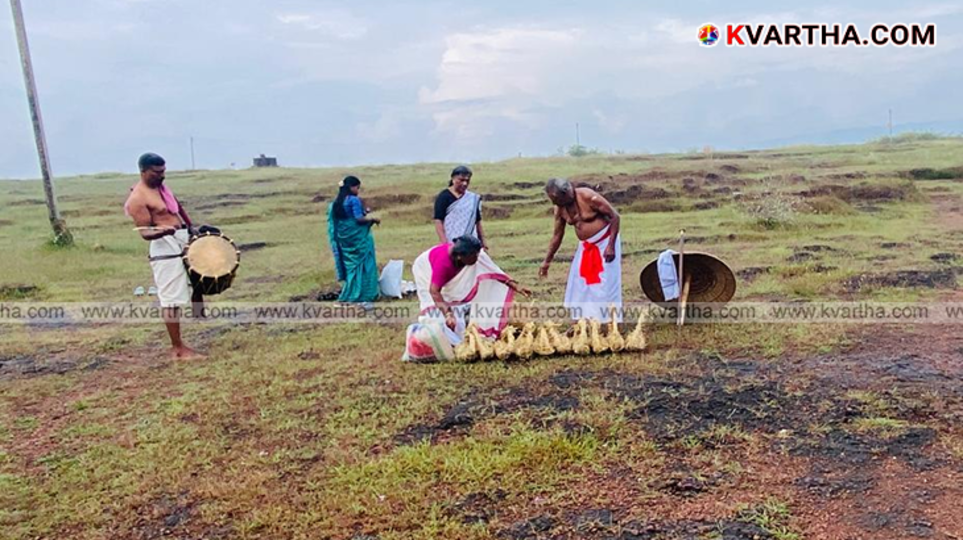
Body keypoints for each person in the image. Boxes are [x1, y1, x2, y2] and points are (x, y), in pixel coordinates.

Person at [124, 152, 203, 359]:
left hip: (181, 240)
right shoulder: (138, 198)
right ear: (143, 171)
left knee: (198, 279)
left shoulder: (162, 189)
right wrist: (163, 231)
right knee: (170, 300)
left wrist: (190, 228)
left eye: (163, 171)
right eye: (157, 172)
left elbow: (177, 210)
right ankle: (178, 348)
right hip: (164, 247)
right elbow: (144, 232)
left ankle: (197, 313)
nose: (162, 176)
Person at [403, 236, 530, 362]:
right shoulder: (444, 265)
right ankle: (447, 345)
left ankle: (463, 342)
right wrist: (447, 314)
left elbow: (493, 270)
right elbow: (434, 291)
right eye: (474, 255)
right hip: (425, 271)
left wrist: (516, 286)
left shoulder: (472, 256)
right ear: (460, 256)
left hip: (443, 274)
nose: (477, 258)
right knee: (437, 318)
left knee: (457, 322)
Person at [539, 178, 622, 322]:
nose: (557, 203)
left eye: (559, 199)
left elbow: (615, 216)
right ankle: (581, 322)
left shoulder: (588, 196)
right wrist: (547, 261)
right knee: (579, 284)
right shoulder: (560, 208)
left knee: (605, 284)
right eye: (555, 201)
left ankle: (608, 323)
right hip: (585, 247)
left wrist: (610, 246)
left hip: (605, 244)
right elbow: (557, 235)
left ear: (568, 191)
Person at [327, 175, 381, 306]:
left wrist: (364, 212)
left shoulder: (336, 203)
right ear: (351, 187)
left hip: (345, 241)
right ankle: (363, 293)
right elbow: (358, 220)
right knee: (365, 265)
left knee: (351, 268)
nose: (358, 190)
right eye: (357, 187)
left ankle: (349, 293)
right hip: (358, 240)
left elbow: (346, 219)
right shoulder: (353, 200)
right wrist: (373, 220)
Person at [433, 165, 488, 249]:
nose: (464, 183)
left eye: (467, 181)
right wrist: (444, 243)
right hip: (452, 242)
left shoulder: (472, 198)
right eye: (461, 180)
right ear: (453, 179)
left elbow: (477, 222)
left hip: (471, 241)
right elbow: (438, 221)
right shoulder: (444, 197)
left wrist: (483, 242)